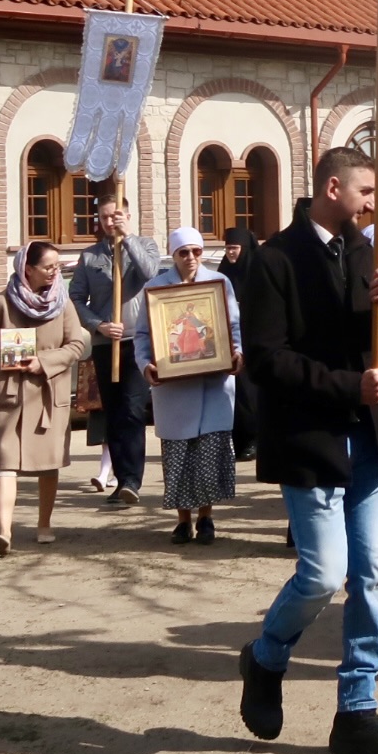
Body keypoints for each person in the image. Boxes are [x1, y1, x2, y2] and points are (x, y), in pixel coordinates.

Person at [235, 146, 378, 754]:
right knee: (321, 574)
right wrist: (348, 386)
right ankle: (265, 658)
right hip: (312, 439)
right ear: (333, 188)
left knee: (372, 577)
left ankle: (357, 711)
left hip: (371, 440)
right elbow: (266, 360)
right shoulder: (276, 259)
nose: (374, 204)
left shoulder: (370, 254)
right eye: (367, 192)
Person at [0, 241, 92, 555]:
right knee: (5, 463)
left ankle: (44, 523)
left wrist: (43, 362)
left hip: (48, 397)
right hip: (10, 398)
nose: (54, 272)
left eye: (57, 266)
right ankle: (4, 532)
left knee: (48, 464)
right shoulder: (2, 304)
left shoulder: (63, 303)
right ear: (28, 269)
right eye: (48, 267)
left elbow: (76, 345)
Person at [137, 227, 244, 546]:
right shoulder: (155, 288)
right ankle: (183, 520)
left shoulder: (219, 283)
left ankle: (206, 517)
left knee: (209, 456)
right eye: (184, 252)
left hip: (214, 385)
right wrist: (146, 365)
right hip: (174, 389)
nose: (191, 258)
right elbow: (143, 335)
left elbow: (233, 326)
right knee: (179, 457)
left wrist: (237, 353)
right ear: (174, 255)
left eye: (196, 251)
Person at [70, 198, 161, 506]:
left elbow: (150, 272)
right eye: (104, 217)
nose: (109, 222)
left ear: (127, 215)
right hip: (105, 343)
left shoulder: (145, 246)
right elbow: (76, 298)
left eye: (115, 216)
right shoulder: (90, 256)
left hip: (137, 341)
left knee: (133, 409)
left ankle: (133, 480)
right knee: (113, 412)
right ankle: (121, 480)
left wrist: (128, 238)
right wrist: (99, 325)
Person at [219, 226, 263, 461]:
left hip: (251, 341)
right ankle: (239, 441)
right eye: (227, 248)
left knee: (249, 394)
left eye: (234, 248)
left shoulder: (257, 271)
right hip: (229, 342)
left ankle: (255, 439)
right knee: (233, 393)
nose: (230, 253)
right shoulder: (224, 272)